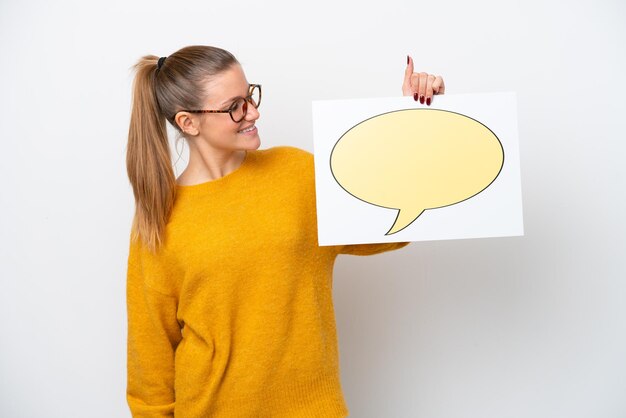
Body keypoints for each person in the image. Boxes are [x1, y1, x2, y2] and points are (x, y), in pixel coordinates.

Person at [125, 45, 445, 418]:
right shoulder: (158, 219)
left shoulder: (295, 174)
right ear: (188, 122)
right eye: (235, 107)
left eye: (251, 96)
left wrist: (417, 119)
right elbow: (150, 363)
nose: (254, 112)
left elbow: (392, 226)